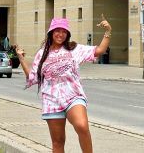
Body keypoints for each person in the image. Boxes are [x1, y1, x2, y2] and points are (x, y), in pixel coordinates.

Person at [16, 16, 112, 153]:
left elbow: (99, 50)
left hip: (73, 96)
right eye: (57, 31)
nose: (60, 34)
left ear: (67, 34)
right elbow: (32, 77)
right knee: (58, 142)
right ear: (51, 32)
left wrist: (108, 31)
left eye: (64, 31)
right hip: (51, 100)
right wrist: (21, 59)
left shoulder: (74, 49)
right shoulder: (42, 54)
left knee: (82, 126)